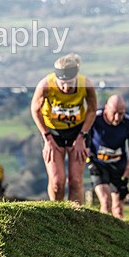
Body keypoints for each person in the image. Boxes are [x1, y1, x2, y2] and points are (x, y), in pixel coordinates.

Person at [30, 53, 97, 203]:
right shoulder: (45, 85)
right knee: (57, 182)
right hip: (53, 132)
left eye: (70, 83)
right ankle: (57, 211)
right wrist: (47, 137)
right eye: (62, 83)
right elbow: (35, 110)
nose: (66, 88)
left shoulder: (86, 85)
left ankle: (75, 214)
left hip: (78, 131)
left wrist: (82, 136)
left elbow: (92, 109)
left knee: (75, 181)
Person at [87, 95, 129, 218]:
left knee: (118, 208)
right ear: (106, 109)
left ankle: (119, 230)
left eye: (121, 114)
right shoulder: (94, 119)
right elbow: (83, 143)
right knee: (106, 202)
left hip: (118, 167)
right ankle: (103, 228)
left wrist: (125, 178)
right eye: (114, 113)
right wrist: (90, 163)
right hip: (99, 166)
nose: (117, 118)